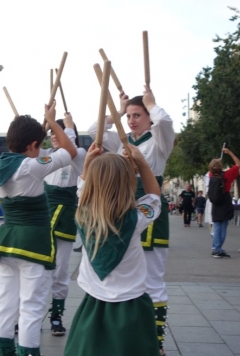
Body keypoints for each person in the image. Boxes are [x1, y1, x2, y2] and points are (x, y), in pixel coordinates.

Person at [88, 86, 175, 355]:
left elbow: (166, 123)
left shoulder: (159, 142)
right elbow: (94, 133)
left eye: (138, 115)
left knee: (154, 280)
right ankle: (130, 336)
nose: (132, 120)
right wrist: (116, 111)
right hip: (123, 212)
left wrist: (153, 103)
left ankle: (157, 343)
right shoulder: (124, 141)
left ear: (150, 118)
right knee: (126, 279)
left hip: (150, 207)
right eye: (129, 116)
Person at [0, 104, 77, 356]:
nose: (39, 150)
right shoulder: (30, 166)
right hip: (32, 245)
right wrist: (55, 122)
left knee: (6, 304)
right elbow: (69, 151)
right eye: (38, 146)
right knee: (31, 307)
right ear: (31, 145)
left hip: (7, 242)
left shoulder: (0, 164)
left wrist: (46, 126)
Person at [64, 143, 161, 355]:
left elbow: (82, 190)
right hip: (133, 306)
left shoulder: (82, 214)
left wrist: (88, 163)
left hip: (93, 305)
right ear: (128, 184)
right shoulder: (137, 219)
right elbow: (154, 196)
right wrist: (142, 163)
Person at [43, 114, 87, 337]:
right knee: (38, 269)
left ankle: (56, 316)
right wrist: (47, 121)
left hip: (64, 218)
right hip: (42, 219)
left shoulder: (79, 155)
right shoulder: (46, 157)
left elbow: (70, 150)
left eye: (57, 133)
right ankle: (28, 315)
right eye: (51, 133)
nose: (53, 137)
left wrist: (67, 127)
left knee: (60, 270)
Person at [208, 148, 240, 259]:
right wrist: (229, 152)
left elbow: (213, 168)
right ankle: (217, 248)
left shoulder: (211, 176)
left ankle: (216, 248)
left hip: (215, 204)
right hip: (225, 202)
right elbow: (238, 164)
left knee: (217, 227)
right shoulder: (227, 176)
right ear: (221, 167)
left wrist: (216, 162)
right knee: (223, 228)